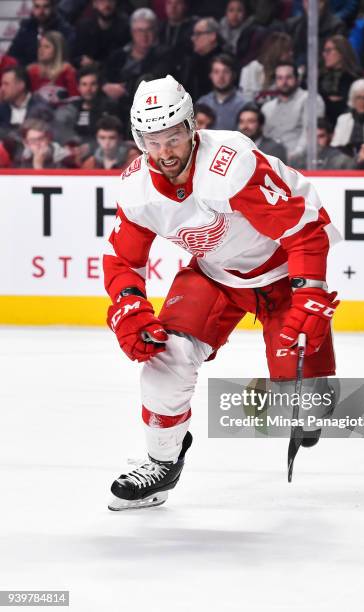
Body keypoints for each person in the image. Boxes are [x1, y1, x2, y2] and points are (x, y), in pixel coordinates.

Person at [103, 74, 339, 510]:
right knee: (164, 354)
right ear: (138, 140)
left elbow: (304, 231)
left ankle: (312, 394)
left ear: (192, 127)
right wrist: (128, 304)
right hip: (214, 274)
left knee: (305, 406)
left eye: (172, 137)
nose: (164, 152)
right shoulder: (136, 188)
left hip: (281, 274)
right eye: (151, 141)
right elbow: (122, 259)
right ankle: (161, 462)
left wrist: (310, 294)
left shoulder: (231, 165)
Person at [262, 62, 325, 167]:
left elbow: (310, 133)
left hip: (301, 163)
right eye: (280, 78)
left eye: (288, 77)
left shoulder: (310, 99)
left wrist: (293, 156)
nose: (284, 82)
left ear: (297, 79)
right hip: (271, 164)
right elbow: (264, 138)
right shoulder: (267, 108)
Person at [103, 8, 173, 103]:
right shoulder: (119, 55)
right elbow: (105, 76)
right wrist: (105, 86)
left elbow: (151, 81)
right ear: (132, 32)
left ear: (156, 31)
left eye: (149, 30)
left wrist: (124, 89)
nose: (144, 35)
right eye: (139, 30)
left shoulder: (164, 54)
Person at [53, 65, 120, 146]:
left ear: (99, 86)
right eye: (84, 84)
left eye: (93, 84)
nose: (88, 89)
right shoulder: (72, 108)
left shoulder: (110, 108)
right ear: (78, 87)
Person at [8, 0, 74, 67]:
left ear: (53, 8)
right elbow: (12, 55)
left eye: (46, 7)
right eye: (37, 7)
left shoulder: (64, 29)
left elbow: (68, 56)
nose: (41, 11)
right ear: (33, 8)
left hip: (55, 71)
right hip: (27, 73)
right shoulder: (26, 28)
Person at [286, 0, 346, 72]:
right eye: (306, 1)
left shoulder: (336, 26)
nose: (309, 5)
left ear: (323, 3)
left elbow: (335, 56)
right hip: (294, 71)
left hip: (324, 71)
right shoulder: (292, 25)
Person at [319, 35, 362, 127]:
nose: (324, 54)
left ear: (342, 52)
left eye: (329, 50)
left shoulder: (357, 79)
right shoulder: (319, 77)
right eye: (324, 50)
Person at [196, 54, 248, 130]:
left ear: (234, 75)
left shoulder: (244, 104)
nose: (221, 76)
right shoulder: (202, 102)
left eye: (226, 71)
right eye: (216, 72)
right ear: (211, 75)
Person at [27, 31, 79, 106]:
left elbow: (74, 99)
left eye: (46, 47)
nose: (41, 50)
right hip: (37, 112)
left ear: (58, 50)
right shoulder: (32, 71)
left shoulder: (67, 71)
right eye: (40, 46)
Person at [0, 67, 53, 140]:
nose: (2, 88)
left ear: (21, 85)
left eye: (6, 84)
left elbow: (26, 137)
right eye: (1, 84)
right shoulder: (3, 107)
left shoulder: (40, 109)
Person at [239, 32, 294, 102]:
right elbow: (246, 99)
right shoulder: (251, 69)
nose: (291, 53)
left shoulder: (290, 71)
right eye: (287, 51)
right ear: (276, 52)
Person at [73, 0, 130, 67]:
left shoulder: (125, 28)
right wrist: (81, 60)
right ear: (94, 4)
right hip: (86, 72)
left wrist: (97, 64)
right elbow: (75, 57)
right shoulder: (83, 27)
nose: (107, 4)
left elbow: (123, 60)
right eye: (102, 1)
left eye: (111, 1)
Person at [180, 17, 224, 100]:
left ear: (212, 36)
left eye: (198, 34)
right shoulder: (190, 60)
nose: (193, 38)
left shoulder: (224, 62)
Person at [331, 78, 364, 154]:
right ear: (353, 100)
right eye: (358, 97)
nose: (362, 102)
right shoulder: (343, 119)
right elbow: (336, 144)